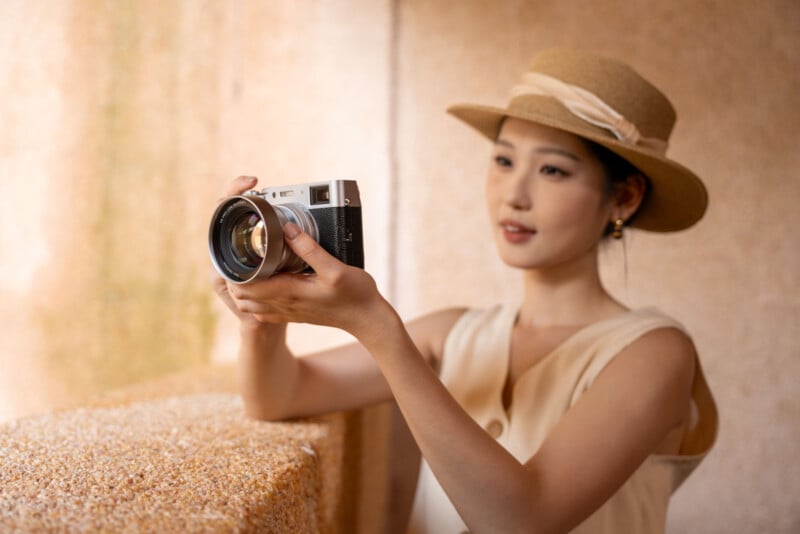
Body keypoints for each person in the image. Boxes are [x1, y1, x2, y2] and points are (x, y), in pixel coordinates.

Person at [211, 48, 718, 533]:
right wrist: (261, 314)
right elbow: (279, 397)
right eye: (503, 161)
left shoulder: (654, 353)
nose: (514, 195)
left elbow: (523, 520)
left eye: (552, 170)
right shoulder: (455, 332)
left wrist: (377, 327)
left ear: (623, 198)